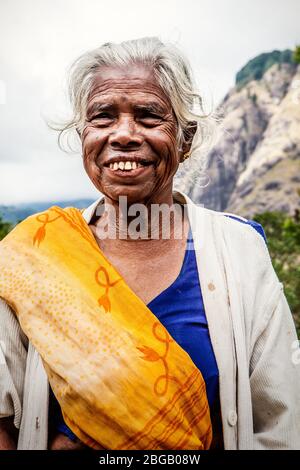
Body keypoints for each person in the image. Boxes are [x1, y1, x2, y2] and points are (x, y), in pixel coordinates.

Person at [0, 37, 299, 451]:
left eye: (148, 116)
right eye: (103, 117)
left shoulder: (239, 251)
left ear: (185, 138)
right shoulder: (35, 253)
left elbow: (282, 420)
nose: (124, 134)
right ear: (83, 134)